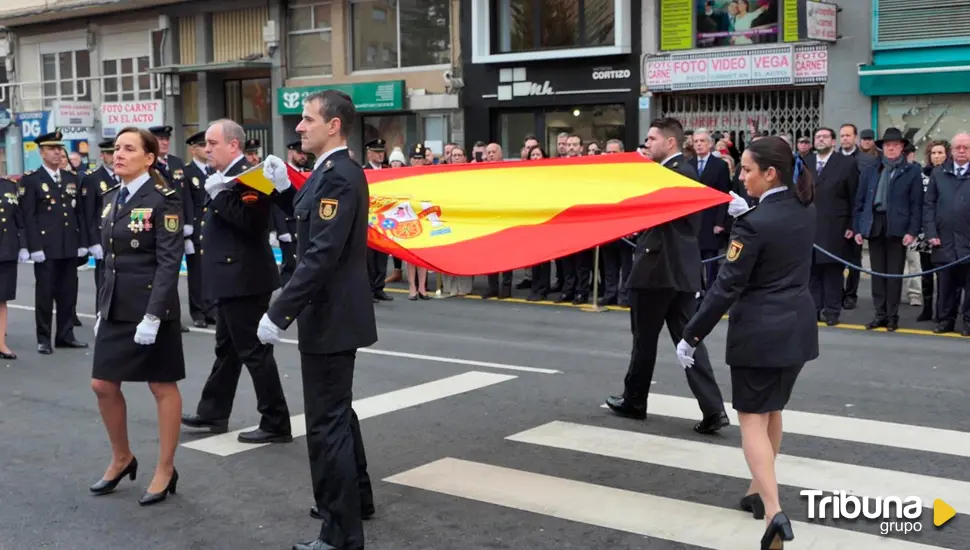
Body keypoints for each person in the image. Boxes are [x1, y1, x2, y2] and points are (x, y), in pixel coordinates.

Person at [679, 136, 818, 550]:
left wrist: (692, 333)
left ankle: (774, 511)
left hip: (759, 331)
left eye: (746, 170)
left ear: (769, 173)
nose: (740, 177)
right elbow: (777, 235)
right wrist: (752, 213)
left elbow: (726, 286)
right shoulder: (804, 207)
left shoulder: (752, 224)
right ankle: (757, 491)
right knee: (772, 410)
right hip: (796, 327)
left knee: (752, 420)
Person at [259, 89, 377, 550]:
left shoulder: (340, 175)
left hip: (330, 318)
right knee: (338, 416)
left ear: (334, 126)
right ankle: (355, 501)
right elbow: (313, 222)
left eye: (308, 119)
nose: (299, 127)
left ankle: (339, 533)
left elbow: (322, 253)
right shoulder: (326, 172)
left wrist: (279, 311)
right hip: (332, 316)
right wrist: (287, 189)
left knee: (325, 427)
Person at [605, 117, 729, 435]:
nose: (647, 144)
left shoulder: (672, 174)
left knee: (643, 341)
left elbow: (643, 206)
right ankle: (713, 409)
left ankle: (634, 401)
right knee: (688, 343)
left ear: (670, 143)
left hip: (656, 270)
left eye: (652, 139)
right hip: (682, 273)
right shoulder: (683, 172)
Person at [180, 119, 293, 444]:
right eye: (206, 144)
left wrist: (219, 196)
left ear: (233, 145)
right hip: (231, 278)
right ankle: (213, 411)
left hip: (244, 279)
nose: (207, 149)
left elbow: (250, 223)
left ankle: (275, 421)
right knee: (227, 349)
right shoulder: (223, 178)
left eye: (213, 143)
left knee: (253, 351)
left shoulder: (250, 177)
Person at [89, 127, 185, 506]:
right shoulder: (112, 198)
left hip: (150, 309)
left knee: (161, 386)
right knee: (102, 384)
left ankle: (165, 467)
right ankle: (122, 456)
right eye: (116, 148)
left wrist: (153, 316)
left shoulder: (163, 199)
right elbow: (110, 262)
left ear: (149, 158)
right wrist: (101, 308)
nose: (120, 154)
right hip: (116, 307)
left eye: (129, 148)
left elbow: (168, 261)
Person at [19, 130, 89, 354]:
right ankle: (44, 338)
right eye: (52, 149)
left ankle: (65, 335)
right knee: (45, 295)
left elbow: (78, 213)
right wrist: (34, 247)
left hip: (69, 245)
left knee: (69, 293)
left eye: (60, 148)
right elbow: (27, 216)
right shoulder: (31, 180)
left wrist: (82, 241)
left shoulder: (71, 178)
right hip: (46, 247)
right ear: (41, 153)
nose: (58, 152)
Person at [852, 127, 923, 332]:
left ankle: (892, 315)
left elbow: (916, 204)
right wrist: (858, 227)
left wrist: (912, 231)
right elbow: (861, 200)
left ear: (902, 148)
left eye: (895, 145)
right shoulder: (871, 169)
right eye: (888, 145)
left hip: (897, 228)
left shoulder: (912, 171)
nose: (891, 149)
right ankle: (879, 314)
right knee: (877, 273)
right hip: (875, 225)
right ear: (882, 148)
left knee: (894, 274)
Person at [79, 138, 116, 314]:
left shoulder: (126, 175)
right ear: (102, 155)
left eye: (115, 152)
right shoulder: (93, 179)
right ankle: (101, 319)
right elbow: (88, 214)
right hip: (102, 238)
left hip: (121, 237)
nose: (113, 157)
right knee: (103, 283)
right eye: (109, 153)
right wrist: (92, 242)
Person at [0, 174, 29, 358]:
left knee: (1, 298)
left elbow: (19, 219)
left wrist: (24, 245)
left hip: (6, 249)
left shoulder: (9, 185)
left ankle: (0, 343)